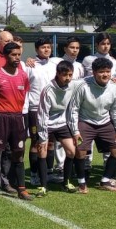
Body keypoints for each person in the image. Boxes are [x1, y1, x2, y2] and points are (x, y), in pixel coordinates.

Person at [0, 41, 33, 202]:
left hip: (18, 118)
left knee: (18, 154)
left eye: (19, 55)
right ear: (5, 56)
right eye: (13, 55)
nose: (17, 58)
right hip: (1, 118)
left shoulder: (23, 76)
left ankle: (22, 189)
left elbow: (23, 96)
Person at [67, 57, 116, 192]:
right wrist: (75, 131)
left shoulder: (114, 88)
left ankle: (105, 181)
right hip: (85, 121)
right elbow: (74, 109)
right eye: (101, 72)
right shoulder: (82, 86)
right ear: (93, 72)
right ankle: (82, 183)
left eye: (108, 71)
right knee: (80, 152)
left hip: (104, 122)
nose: (105, 74)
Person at [37, 61, 81, 193]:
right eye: (64, 75)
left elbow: (88, 82)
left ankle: (66, 182)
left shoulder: (73, 86)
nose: (68, 78)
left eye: (70, 75)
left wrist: (75, 131)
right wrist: (43, 137)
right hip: (47, 124)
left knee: (71, 151)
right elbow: (42, 114)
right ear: (57, 74)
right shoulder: (48, 90)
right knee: (42, 151)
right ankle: (43, 185)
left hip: (62, 124)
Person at [25, 36, 61, 187]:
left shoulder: (56, 63)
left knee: (51, 142)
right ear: (36, 49)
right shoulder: (30, 65)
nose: (46, 50)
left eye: (48, 47)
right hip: (35, 109)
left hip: (53, 109)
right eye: (42, 47)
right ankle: (34, 175)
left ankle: (49, 172)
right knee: (37, 142)